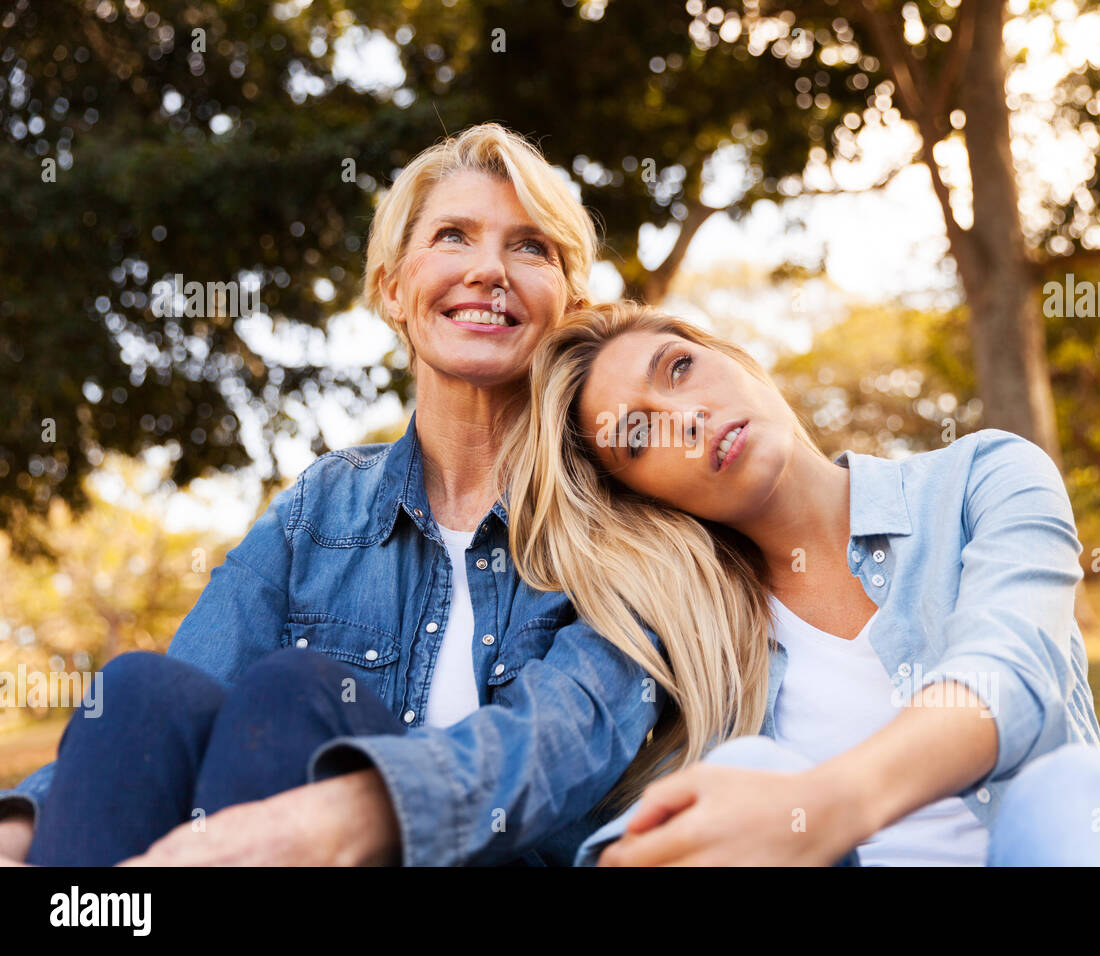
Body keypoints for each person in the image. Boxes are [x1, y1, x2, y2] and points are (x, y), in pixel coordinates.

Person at [0, 124, 666, 867]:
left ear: (569, 305)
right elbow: (184, 703)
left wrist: (357, 809)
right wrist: (20, 827)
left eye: (530, 246)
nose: (489, 270)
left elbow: (573, 730)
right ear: (392, 288)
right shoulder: (322, 507)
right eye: (453, 236)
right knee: (139, 691)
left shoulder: (624, 517)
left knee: (297, 692)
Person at [506, 299, 1100, 866]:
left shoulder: (984, 479)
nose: (686, 420)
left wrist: (830, 807)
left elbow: (1012, 671)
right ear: (643, 498)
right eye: (638, 437)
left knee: (1078, 787)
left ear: (736, 360)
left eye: (680, 368)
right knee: (748, 766)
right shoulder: (695, 649)